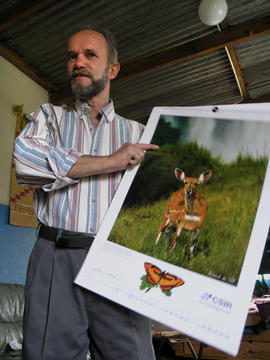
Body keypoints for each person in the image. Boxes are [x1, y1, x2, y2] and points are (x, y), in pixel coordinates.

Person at [14, 28, 158, 360]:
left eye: (90, 55)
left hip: (119, 260)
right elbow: (26, 161)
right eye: (72, 56)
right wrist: (113, 161)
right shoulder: (47, 118)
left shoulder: (140, 134)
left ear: (112, 69)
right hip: (55, 257)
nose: (79, 62)